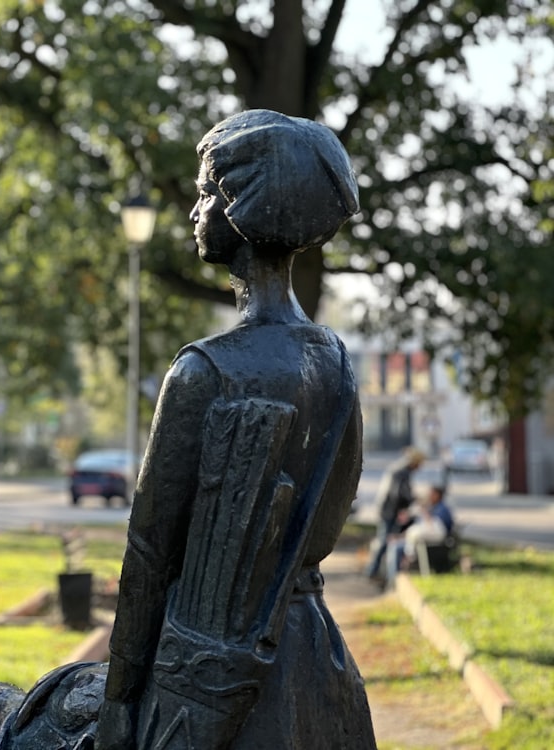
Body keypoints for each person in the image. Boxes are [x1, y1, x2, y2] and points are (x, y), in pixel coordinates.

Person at [94, 110, 375, 750]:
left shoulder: (204, 372)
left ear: (240, 206)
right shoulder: (335, 362)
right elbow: (334, 508)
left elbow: (148, 557)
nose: (194, 212)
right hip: (317, 659)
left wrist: (120, 698)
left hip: (218, 684)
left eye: (203, 194)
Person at [364, 446, 425, 580]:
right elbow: (399, 494)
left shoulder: (400, 469)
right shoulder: (402, 472)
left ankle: (377, 570)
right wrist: (413, 501)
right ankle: (373, 570)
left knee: (387, 540)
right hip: (389, 512)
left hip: (389, 510)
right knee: (385, 540)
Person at [385, 484, 455, 587]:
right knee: (393, 544)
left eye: (431, 494)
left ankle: (394, 582)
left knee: (396, 548)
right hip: (419, 541)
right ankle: (392, 580)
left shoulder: (442, 509)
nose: (429, 496)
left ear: (437, 495)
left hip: (430, 545)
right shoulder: (432, 507)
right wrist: (399, 536)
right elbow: (418, 529)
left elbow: (435, 530)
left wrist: (425, 512)